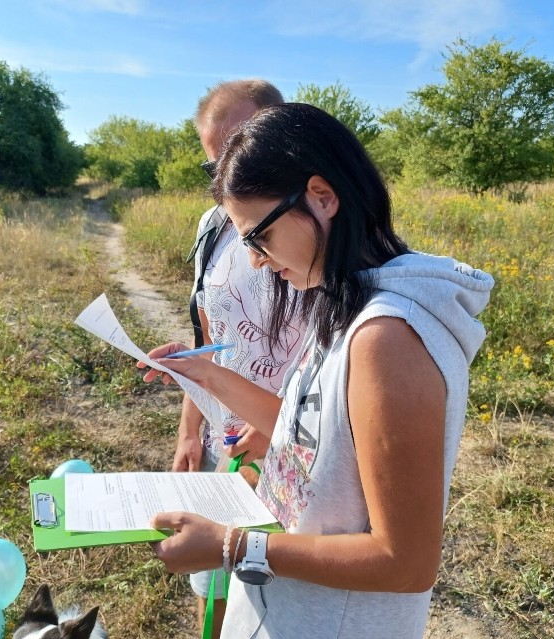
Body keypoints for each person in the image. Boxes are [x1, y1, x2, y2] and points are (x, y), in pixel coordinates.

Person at [139, 103, 494, 637]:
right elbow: (308, 431)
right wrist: (205, 374)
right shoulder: (343, 301)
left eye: (257, 236)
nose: (257, 260)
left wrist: (233, 546)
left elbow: (405, 561)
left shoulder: (388, 339)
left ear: (322, 198)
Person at [177, 80, 307, 638]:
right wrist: (190, 431)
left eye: (237, 149)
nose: (226, 174)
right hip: (220, 445)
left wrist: (273, 424)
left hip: (290, 449)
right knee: (212, 591)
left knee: (270, 600)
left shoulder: (312, 231)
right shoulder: (212, 228)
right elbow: (210, 333)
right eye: (214, 164)